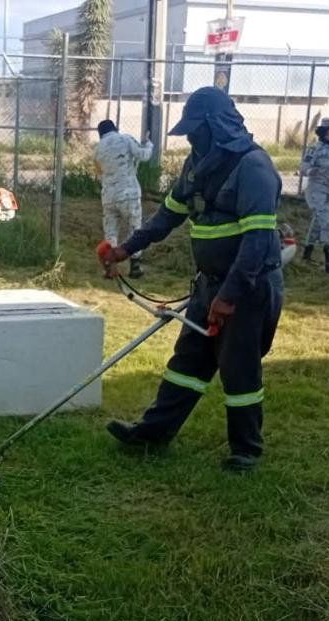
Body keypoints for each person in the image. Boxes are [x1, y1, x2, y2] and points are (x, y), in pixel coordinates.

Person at [99, 87, 285, 473]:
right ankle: (154, 432)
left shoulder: (253, 168)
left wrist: (229, 296)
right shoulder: (196, 166)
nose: (191, 138)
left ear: (218, 126)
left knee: (240, 369)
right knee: (187, 362)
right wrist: (125, 249)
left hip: (247, 287)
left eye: (197, 131)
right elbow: (167, 217)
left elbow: (255, 242)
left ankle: (246, 450)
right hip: (209, 284)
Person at [93, 119, 153, 278]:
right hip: (129, 194)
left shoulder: (97, 149)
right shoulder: (125, 139)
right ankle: (135, 266)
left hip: (109, 196)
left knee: (111, 232)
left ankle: (110, 267)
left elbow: (99, 173)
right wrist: (149, 144)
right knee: (134, 229)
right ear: (115, 129)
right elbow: (144, 156)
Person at [300, 117, 329, 274]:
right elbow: (304, 166)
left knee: (318, 223)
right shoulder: (315, 148)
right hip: (316, 191)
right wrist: (310, 170)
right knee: (327, 222)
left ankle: (307, 253)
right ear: (328, 131)